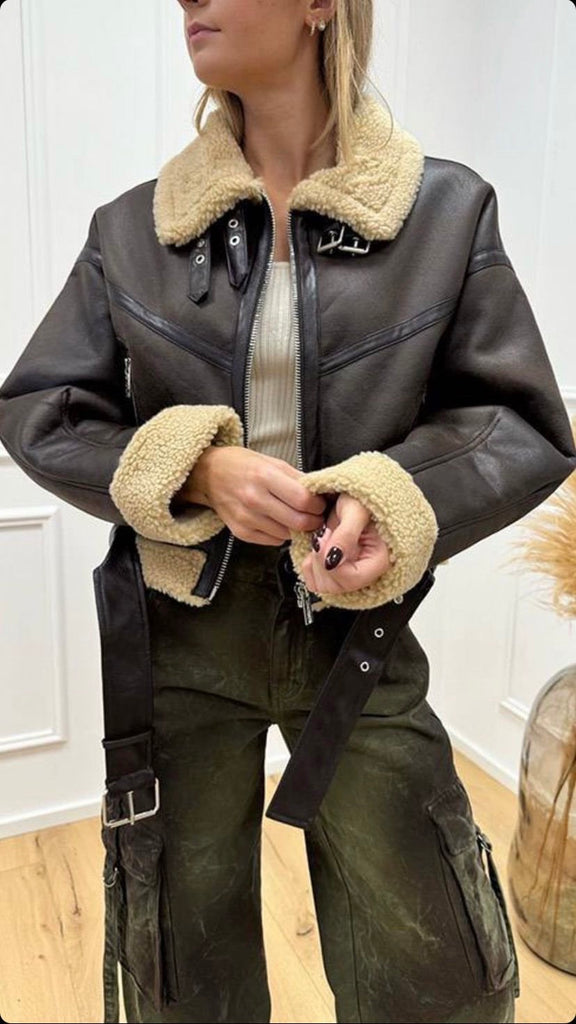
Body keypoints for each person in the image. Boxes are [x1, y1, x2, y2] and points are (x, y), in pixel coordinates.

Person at [1, 1, 575, 1021]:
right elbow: (42, 407)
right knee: (184, 962)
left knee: (433, 961)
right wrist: (194, 468)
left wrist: (388, 496)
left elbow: (516, 420)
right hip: (182, 633)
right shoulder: (132, 230)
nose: (189, 0)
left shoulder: (443, 212)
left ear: (319, 5)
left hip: (356, 628)